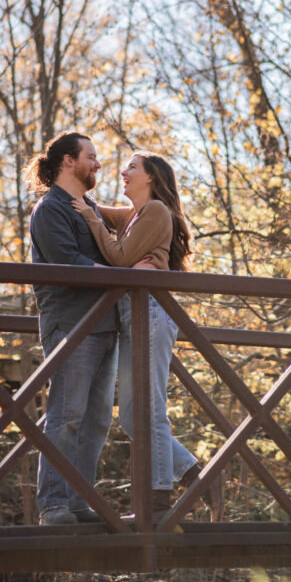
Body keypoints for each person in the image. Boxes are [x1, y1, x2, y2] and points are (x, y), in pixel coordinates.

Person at [71, 151, 223, 521]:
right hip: (133, 314)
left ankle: (158, 500)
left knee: (149, 408)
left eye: (131, 168)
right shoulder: (136, 215)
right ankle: (197, 476)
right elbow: (102, 212)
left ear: (151, 177)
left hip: (152, 311)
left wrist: (90, 218)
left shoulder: (155, 212)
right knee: (132, 418)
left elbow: (120, 259)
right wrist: (73, 194)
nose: (123, 173)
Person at [27, 131, 120, 525]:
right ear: (69, 160)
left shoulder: (91, 208)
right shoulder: (50, 210)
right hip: (71, 324)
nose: (98, 163)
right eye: (91, 156)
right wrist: (119, 277)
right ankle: (53, 504)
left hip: (104, 324)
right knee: (66, 415)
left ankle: (79, 500)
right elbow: (68, 263)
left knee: (98, 419)